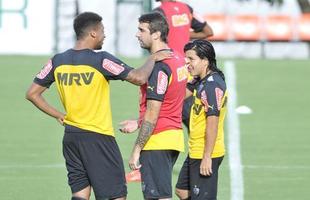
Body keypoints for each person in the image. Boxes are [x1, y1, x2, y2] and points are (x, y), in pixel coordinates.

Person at [25, 12, 171, 200]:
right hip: (98, 138)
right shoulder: (100, 59)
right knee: (116, 195)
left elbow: (32, 94)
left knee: (80, 194)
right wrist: (153, 59)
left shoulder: (57, 61)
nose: (104, 35)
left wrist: (58, 115)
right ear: (93, 33)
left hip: (71, 138)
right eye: (102, 31)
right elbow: (138, 77)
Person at [120, 12, 187, 200]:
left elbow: (153, 111)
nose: (137, 34)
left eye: (142, 30)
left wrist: (136, 150)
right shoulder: (177, 58)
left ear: (156, 34)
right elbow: (179, 94)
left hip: (157, 139)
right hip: (173, 137)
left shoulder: (159, 67)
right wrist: (139, 121)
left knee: (158, 197)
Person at [175, 39, 227, 200]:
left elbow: (213, 124)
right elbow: (179, 97)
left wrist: (207, 157)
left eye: (191, 59)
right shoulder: (200, 80)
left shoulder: (212, 86)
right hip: (195, 149)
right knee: (182, 190)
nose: (187, 63)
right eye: (186, 59)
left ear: (205, 61)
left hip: (205, 152)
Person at [154, 0, 214, 131]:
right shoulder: (187, 8)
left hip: (171, 68)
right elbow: (208, 32)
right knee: (195, 124)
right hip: (188, 70)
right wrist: (184, 33)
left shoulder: (159, 13)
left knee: (162, 119)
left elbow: (154, 40)